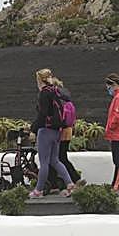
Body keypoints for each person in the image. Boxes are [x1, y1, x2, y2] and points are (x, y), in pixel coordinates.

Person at [29, 68, 77, 199]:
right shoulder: (56, 91)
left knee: (44, 162)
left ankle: (38, 190)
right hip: (57, 131)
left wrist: (33, 129)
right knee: (55, 160)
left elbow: (43, 114)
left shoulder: (44, 93)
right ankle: (70, 184)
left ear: (40, 80)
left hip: (45, 131)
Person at [53, 76, 82, 188]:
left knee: (59, 157)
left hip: (61, 131)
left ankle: (74, 178)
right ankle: (70, 179)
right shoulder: (67, 99)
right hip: (68, 131)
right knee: (62, 156)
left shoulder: (58, 99)